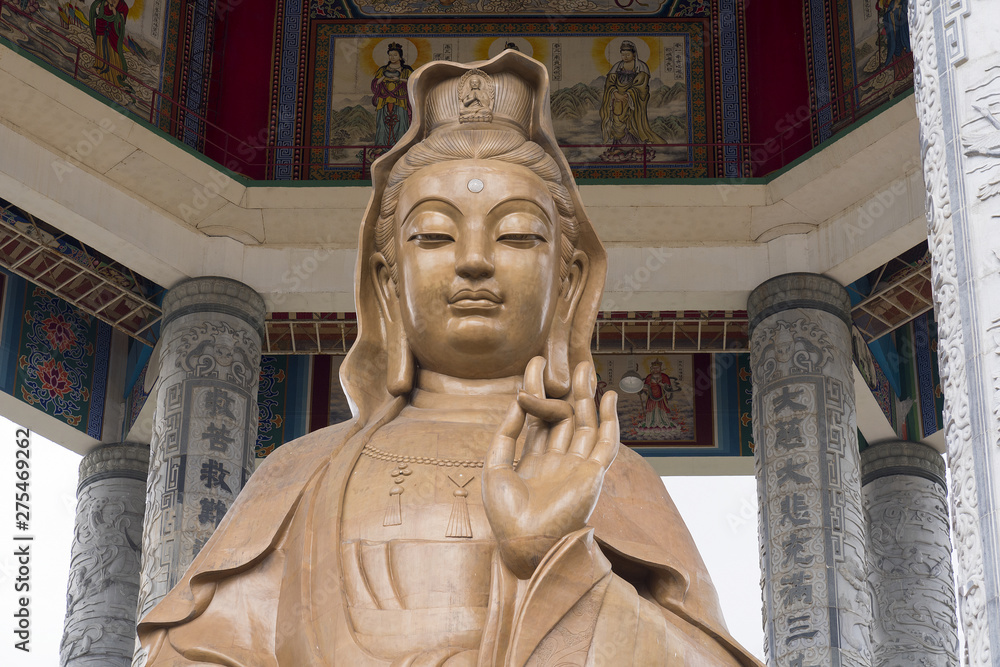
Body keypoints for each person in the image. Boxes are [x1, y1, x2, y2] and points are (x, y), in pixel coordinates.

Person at [136, 52, 761, 667]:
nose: (474, 260)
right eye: (434, 235)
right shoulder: (301, 474)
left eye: (516, 235)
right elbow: (188, 654)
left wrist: (559, 560)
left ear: (568, 282)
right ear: (386, 280)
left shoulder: (607, 476)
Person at [600, 40, 663, 157]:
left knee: (634, 123)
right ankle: (618, 147)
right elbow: (609, 84)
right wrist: (615, 93)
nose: (625, 57)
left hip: (634, 101)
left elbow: (642, 86)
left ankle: (638, 147)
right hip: (618, 100)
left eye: (627, 54)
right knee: (617, 122)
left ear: (634, 54)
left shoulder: (641, 67)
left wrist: (629, 94)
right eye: (622, 54)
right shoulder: (617, 67)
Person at [371, 43, 414, 149]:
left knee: (401, 123)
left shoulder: (406, 70)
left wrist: (400, 79)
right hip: (384, 101)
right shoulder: (382, 70)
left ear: (400, 56)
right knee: (382, 123)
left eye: (395, 55)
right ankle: (381, 146)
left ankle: (401, 147)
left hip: (400, 101)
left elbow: (414, 82)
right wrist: (383, 78)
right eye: (390, 55)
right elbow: (375, 83)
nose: (392, 57)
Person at [89, 0, 131, 89]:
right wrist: (103, 4)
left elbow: (121, 21)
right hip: (102, 28)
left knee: (112, 52)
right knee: (101, 47)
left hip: (112, 33)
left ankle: (112, 76)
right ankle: (98, 67)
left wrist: (114, 12)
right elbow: (97, 7)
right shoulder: (106, 1)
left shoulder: (123, 6)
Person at [640, 359, 678, 428]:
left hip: (661, 396)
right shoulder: (649, 377)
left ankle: (663, 423)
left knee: (661, 410)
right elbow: (646, 386)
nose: (655, 369)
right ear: (651, 368)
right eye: (654, 368)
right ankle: (650, 423)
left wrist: (661, 384)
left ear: (660, 368)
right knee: (651, 410)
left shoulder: (664, 376)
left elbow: (668, 387)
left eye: (657, 368)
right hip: (651, 397)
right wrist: (642, 389)